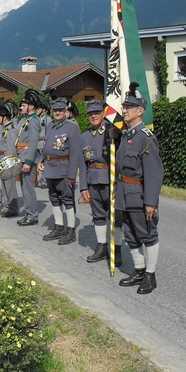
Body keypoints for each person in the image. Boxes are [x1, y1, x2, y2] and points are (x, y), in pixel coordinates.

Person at [115, 82, 164, 294]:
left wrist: (150, 202)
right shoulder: (126, 135)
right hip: (124, 194)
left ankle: (150, 276)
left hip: (139, 194)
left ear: (140, 111)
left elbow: (154, 172)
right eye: (124, 107)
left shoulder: (145, 137)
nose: (124, 110)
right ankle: (139, 270)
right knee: (130, 234)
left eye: (129, 107)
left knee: (147, 234)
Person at [78, 100, 123, 264]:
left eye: (97, 113)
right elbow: (82, 164)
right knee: (98, 215)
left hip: (111, 180)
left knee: (116, 217)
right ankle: (102, 246)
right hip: (92, 180)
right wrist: (83, 186)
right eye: (90, 114)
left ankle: (117, 250)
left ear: (103, 114)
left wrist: (117, 137)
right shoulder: (85, 136)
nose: (93, 116)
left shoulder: (112, 133)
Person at [40, 97, 82, 245]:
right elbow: (46, 146)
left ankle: (70, 230)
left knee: (67, 199)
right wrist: (42, 161)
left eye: (60, 110)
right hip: (50, 168)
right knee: (54, 197)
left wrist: (71, 175)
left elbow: (76, 153)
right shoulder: (50, 126)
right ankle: (58, 226)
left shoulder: (72, 128)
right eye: (55, 110)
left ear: (65, 111)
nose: (57, 112)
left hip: (63, 168)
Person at [15, 90, 42, 226]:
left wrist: (28, 162)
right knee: (24, 188)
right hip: (22, 156)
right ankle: (28, 213)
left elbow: (33, 143)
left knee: (28, 188)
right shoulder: (26, 120)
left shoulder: (34, 121)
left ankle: (32, 215)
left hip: (27, 158)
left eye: (24, 105)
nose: (22, 107)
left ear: (31, 106)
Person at [0, 103, 20, 217]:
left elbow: (11, 149)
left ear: (4, 117)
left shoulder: (11, 130)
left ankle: (12, 208)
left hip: (6, 161)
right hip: (1, 160)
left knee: (10, 186)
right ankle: (6, 206)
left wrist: (9, 165)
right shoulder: (5, 129)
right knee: (4, 185)